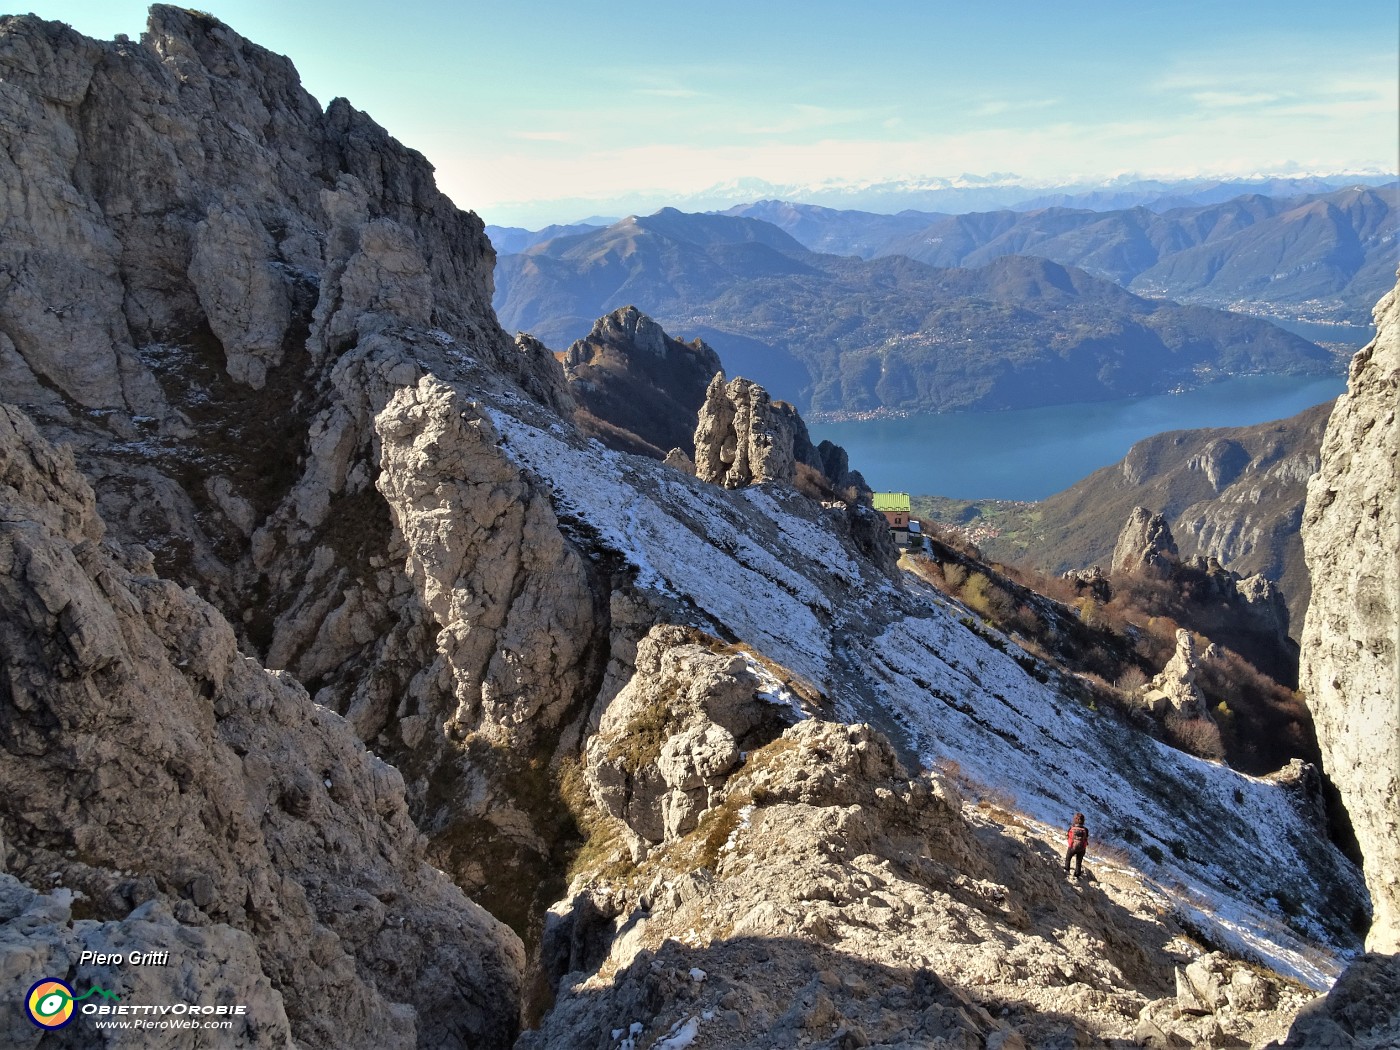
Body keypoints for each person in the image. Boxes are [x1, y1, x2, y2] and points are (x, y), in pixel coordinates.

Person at [1065, 813, 1088, 878]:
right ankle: (1077, 874)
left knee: (1068, 859)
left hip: (1072, 847)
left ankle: (1066, 871)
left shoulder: (1071, 828)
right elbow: (1086, 838)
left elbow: (1068, 836)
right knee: (1078, 862)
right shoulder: (1085, 830)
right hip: (1082, 848)